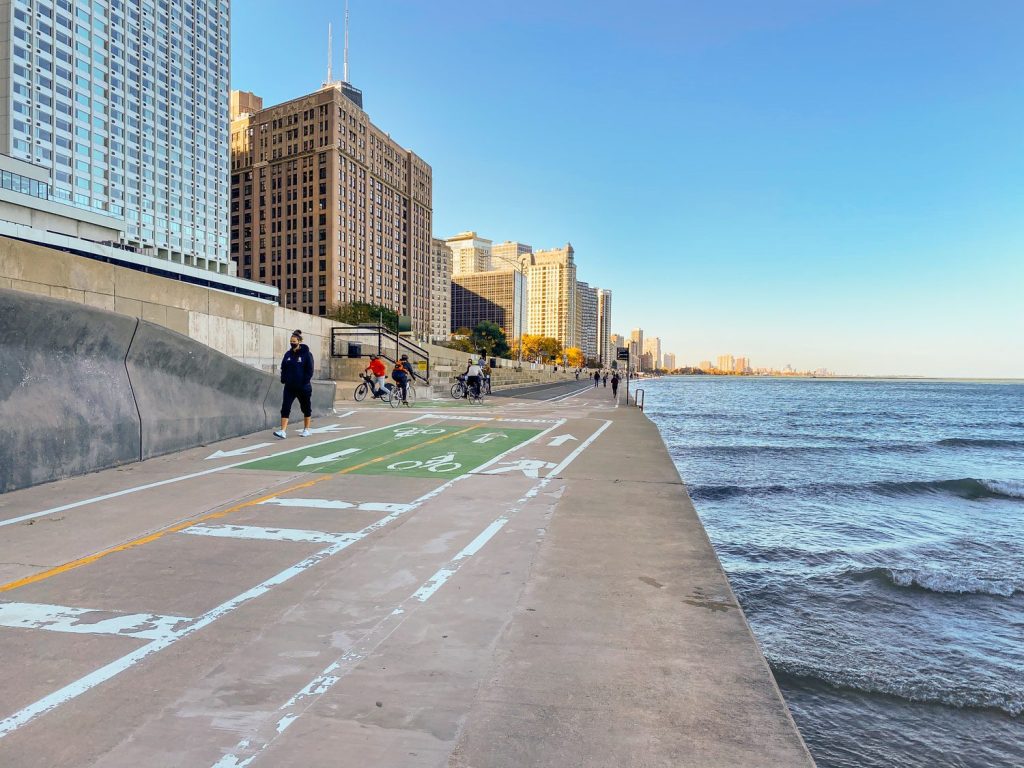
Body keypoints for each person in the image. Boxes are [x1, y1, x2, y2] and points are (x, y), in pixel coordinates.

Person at [274, 330, 314, 438]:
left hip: (303, 387)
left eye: (294, 341)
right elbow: (284, 367)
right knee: (285, 407)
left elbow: (309, 370)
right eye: (291, 341)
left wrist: (304, 382)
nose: (292, 343)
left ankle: (306, 429)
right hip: (289, 387)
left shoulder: (307, 354)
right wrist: (284, 378)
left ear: (299, 341)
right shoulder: (288, 354)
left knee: (306, 408)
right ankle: (282, 431)